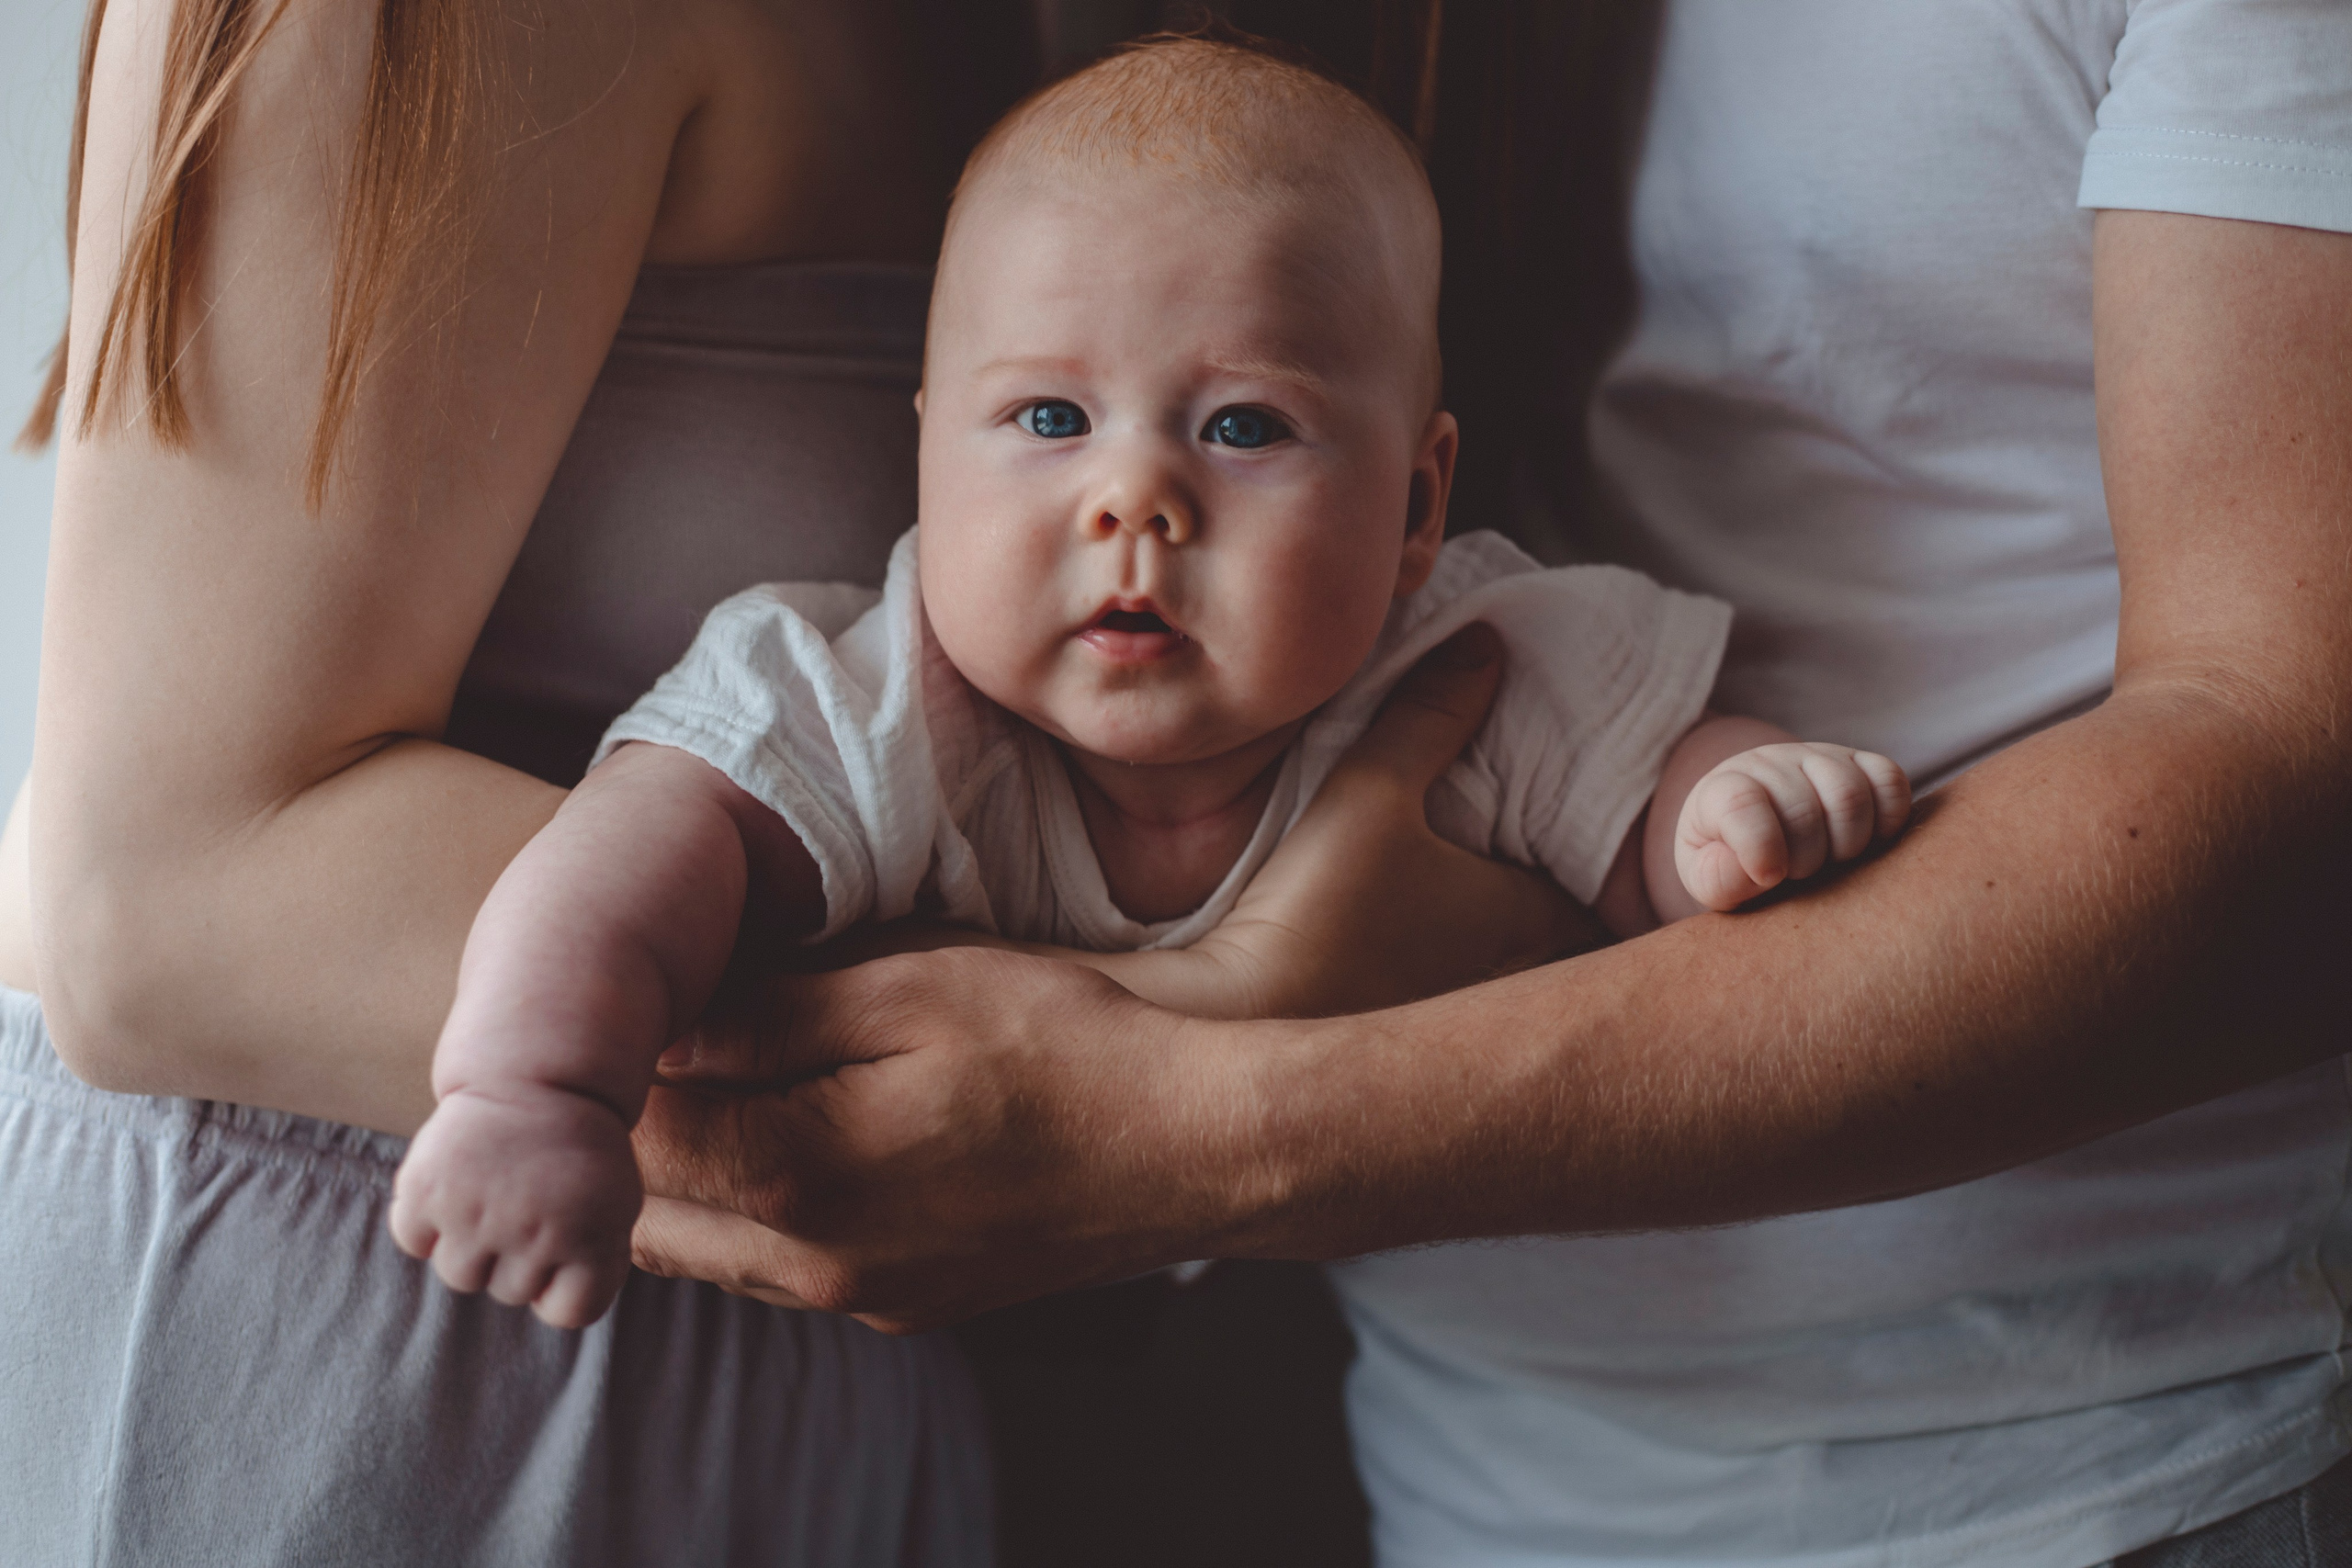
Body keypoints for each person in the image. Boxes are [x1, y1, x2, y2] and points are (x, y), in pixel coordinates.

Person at [613, 4, 2352, 1566]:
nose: (1130, 500)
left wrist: (1201, 1123)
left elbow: (2295, 791)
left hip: (2100, 1456)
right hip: (1479, 1462)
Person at [386, 37, 1915, 1331]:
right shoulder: (873, 691)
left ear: (1414, 510)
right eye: (1050, 416)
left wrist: (1732, 799)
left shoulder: (1466, 656)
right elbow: (639, 845)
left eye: (1244, 429)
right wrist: (533, 1086)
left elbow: (1644, 795)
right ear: (923, 451)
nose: (1136, 501)